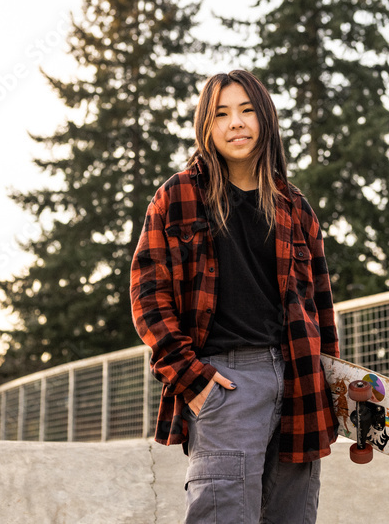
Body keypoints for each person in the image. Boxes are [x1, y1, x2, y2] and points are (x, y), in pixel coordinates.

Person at [130, 70, 339, 523]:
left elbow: (321, 308)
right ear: (207, 126)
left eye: (246, 110)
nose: (236, 123)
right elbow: (148, 295)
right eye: (222, 113)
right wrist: (190, 377)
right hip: (225, 382)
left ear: (264, 118)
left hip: (298, 381)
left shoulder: (295, 208)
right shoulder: (178, 195)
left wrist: (332, 385)